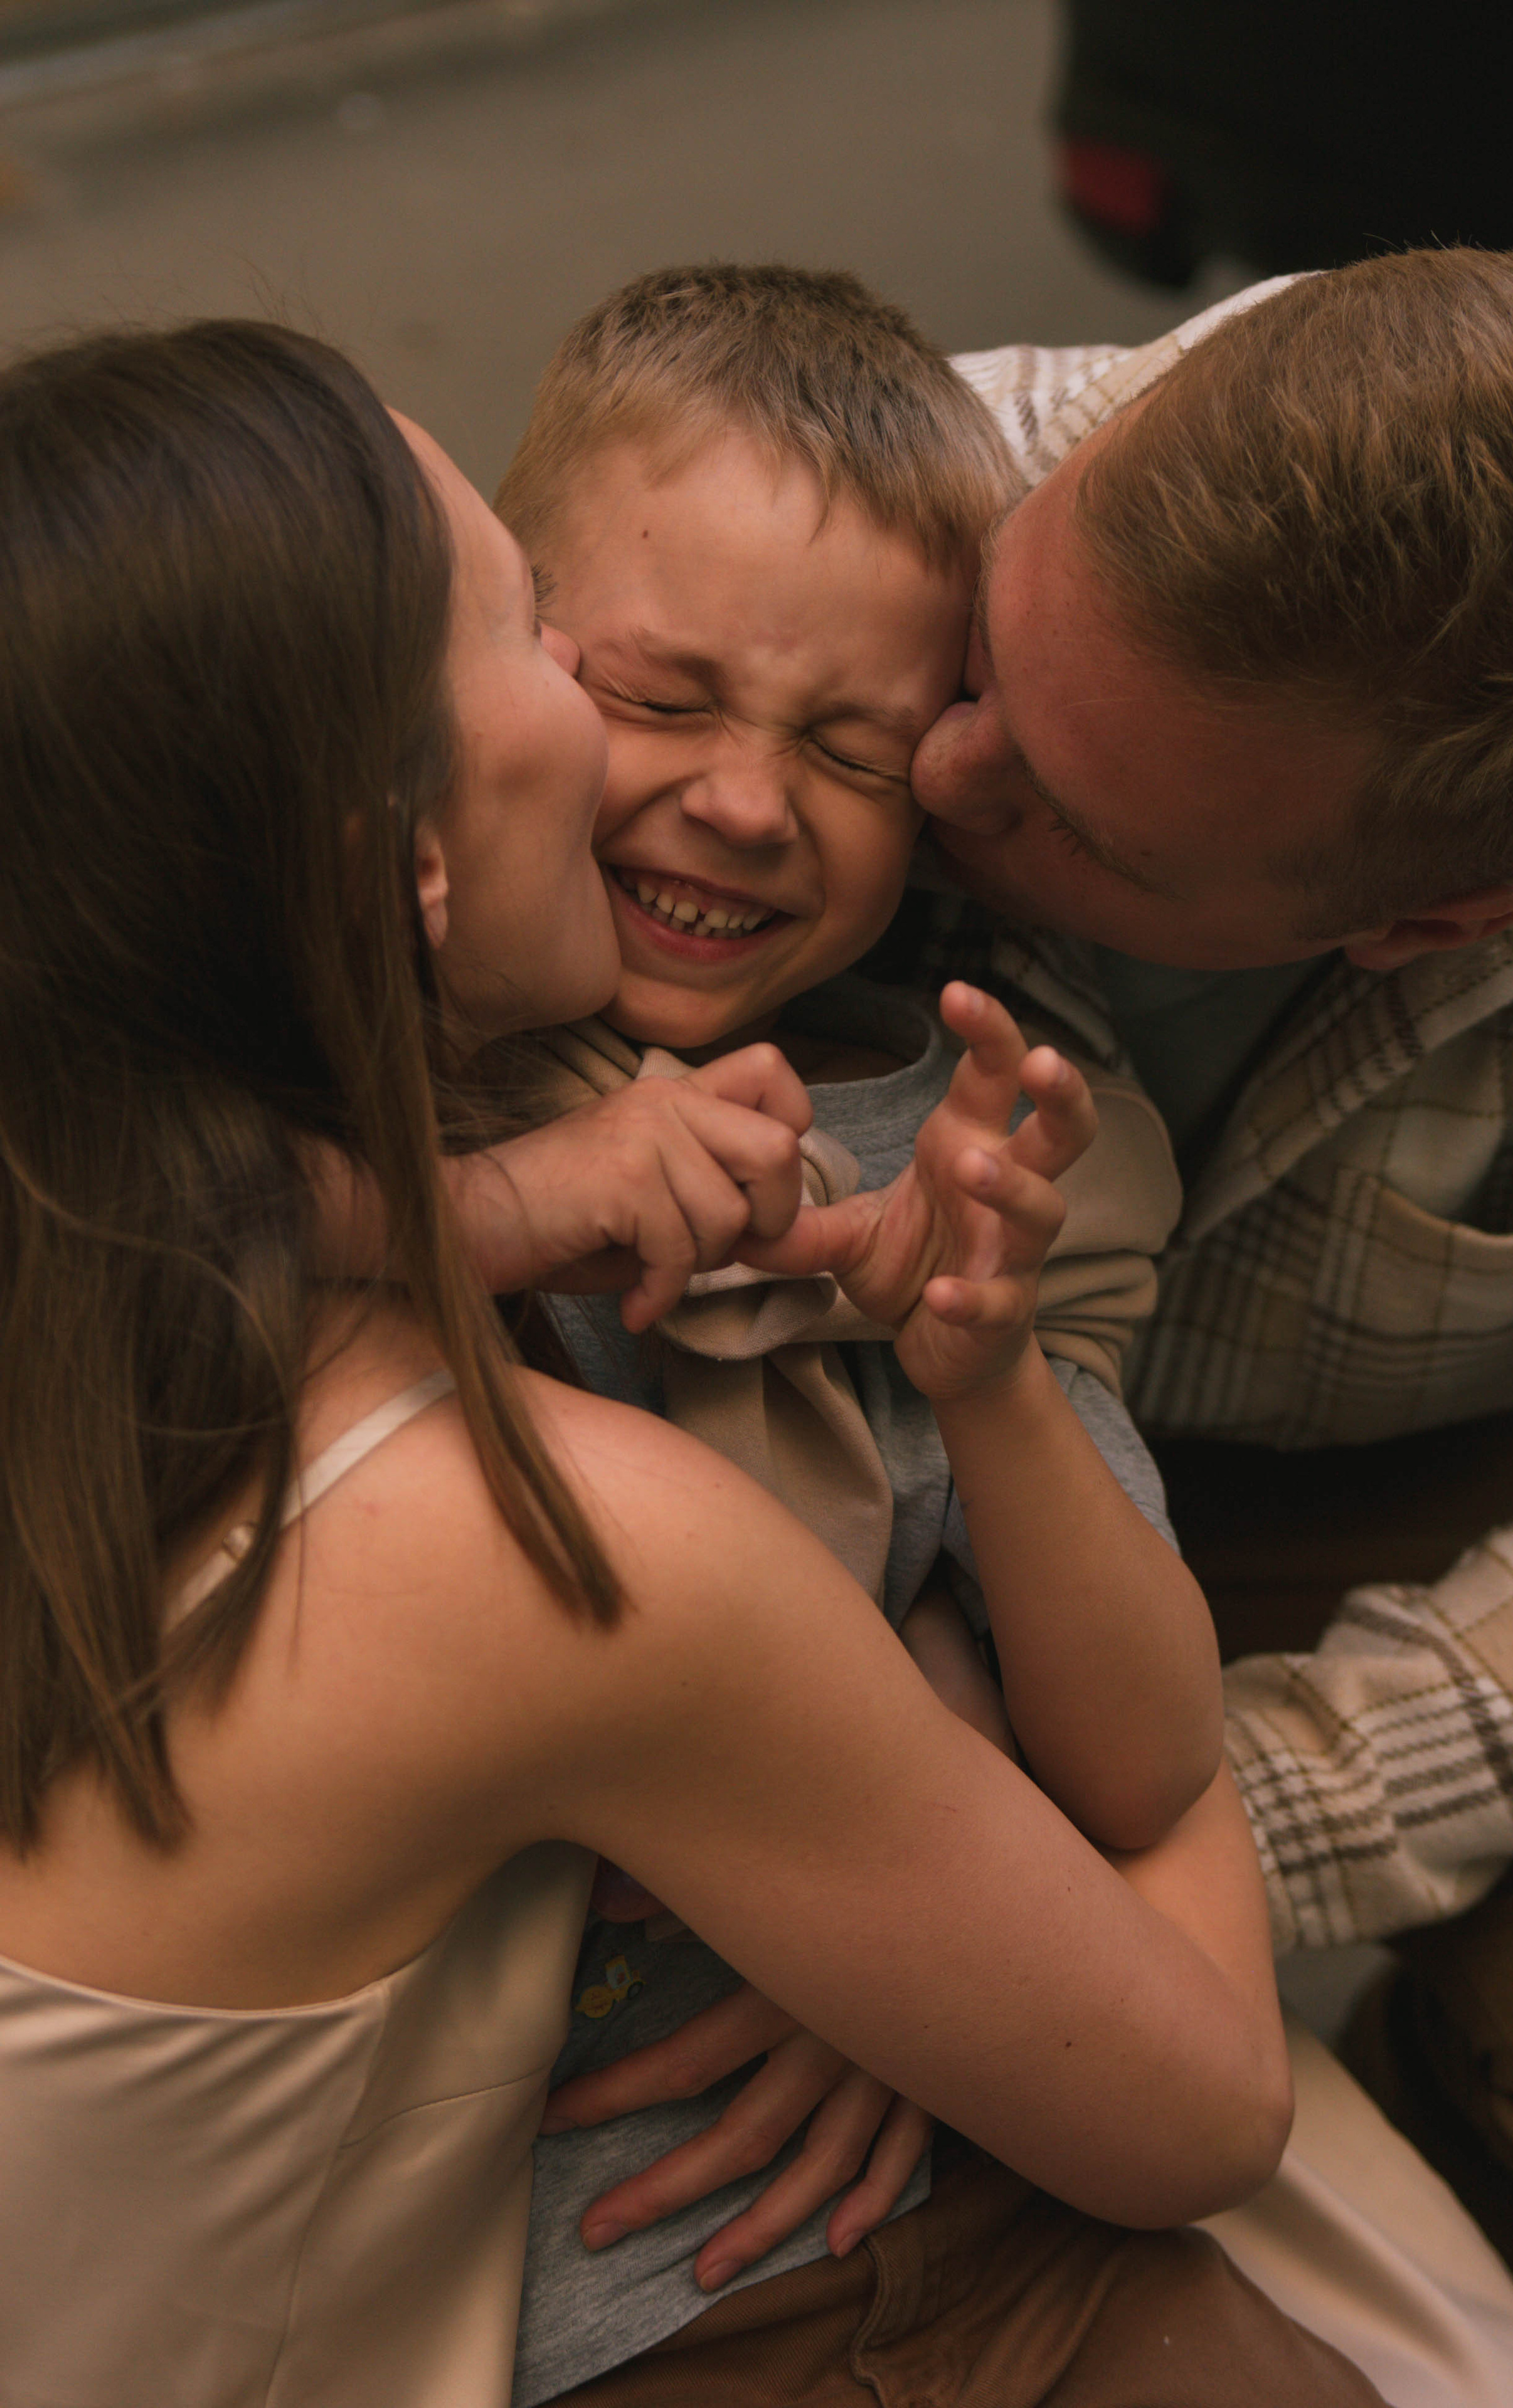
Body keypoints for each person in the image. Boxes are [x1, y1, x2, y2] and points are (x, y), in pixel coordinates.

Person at [0, 314, 1387, 2408]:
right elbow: (1194, 2108)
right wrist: (943, 1751)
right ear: (410, 856)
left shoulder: (100, 1249)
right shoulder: (545, 1546)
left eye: (853, 745)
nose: (725, 798)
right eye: (569, 659)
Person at [470, 265, 1214, 2397]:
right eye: (658, 691)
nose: (742, 798)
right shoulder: (340, 1067)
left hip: (991, 2185)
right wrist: (508, 1198)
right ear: (495, 664)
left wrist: (988, 1393)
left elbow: (1151, 1752)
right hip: (581, 2305)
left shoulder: (974, 1144)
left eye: (847, 747)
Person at [902, 245, 1513, 2380]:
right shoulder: (878, 473)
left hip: (1336, 1513)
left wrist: (1191, 1868)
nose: (935, 775)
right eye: (982, 657)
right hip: (855, 1471)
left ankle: (1478, 2147)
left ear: (1424, 920)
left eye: (1071, 818)